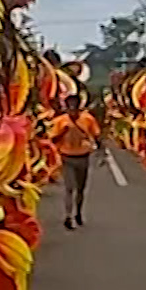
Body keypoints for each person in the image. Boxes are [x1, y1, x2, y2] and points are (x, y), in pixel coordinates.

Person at [56, 92, 100, 229]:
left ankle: (78, 213)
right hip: (66, 157)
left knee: (80, 188)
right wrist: (63, 132)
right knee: (69, 188)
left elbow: (96, 135)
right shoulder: (61, 121)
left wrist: (100, 149)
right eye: (70, 105)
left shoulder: (87, 119)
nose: (72, 108)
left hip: (83, 157)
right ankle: (68, 216)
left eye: (75, 105)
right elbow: (53, 139)